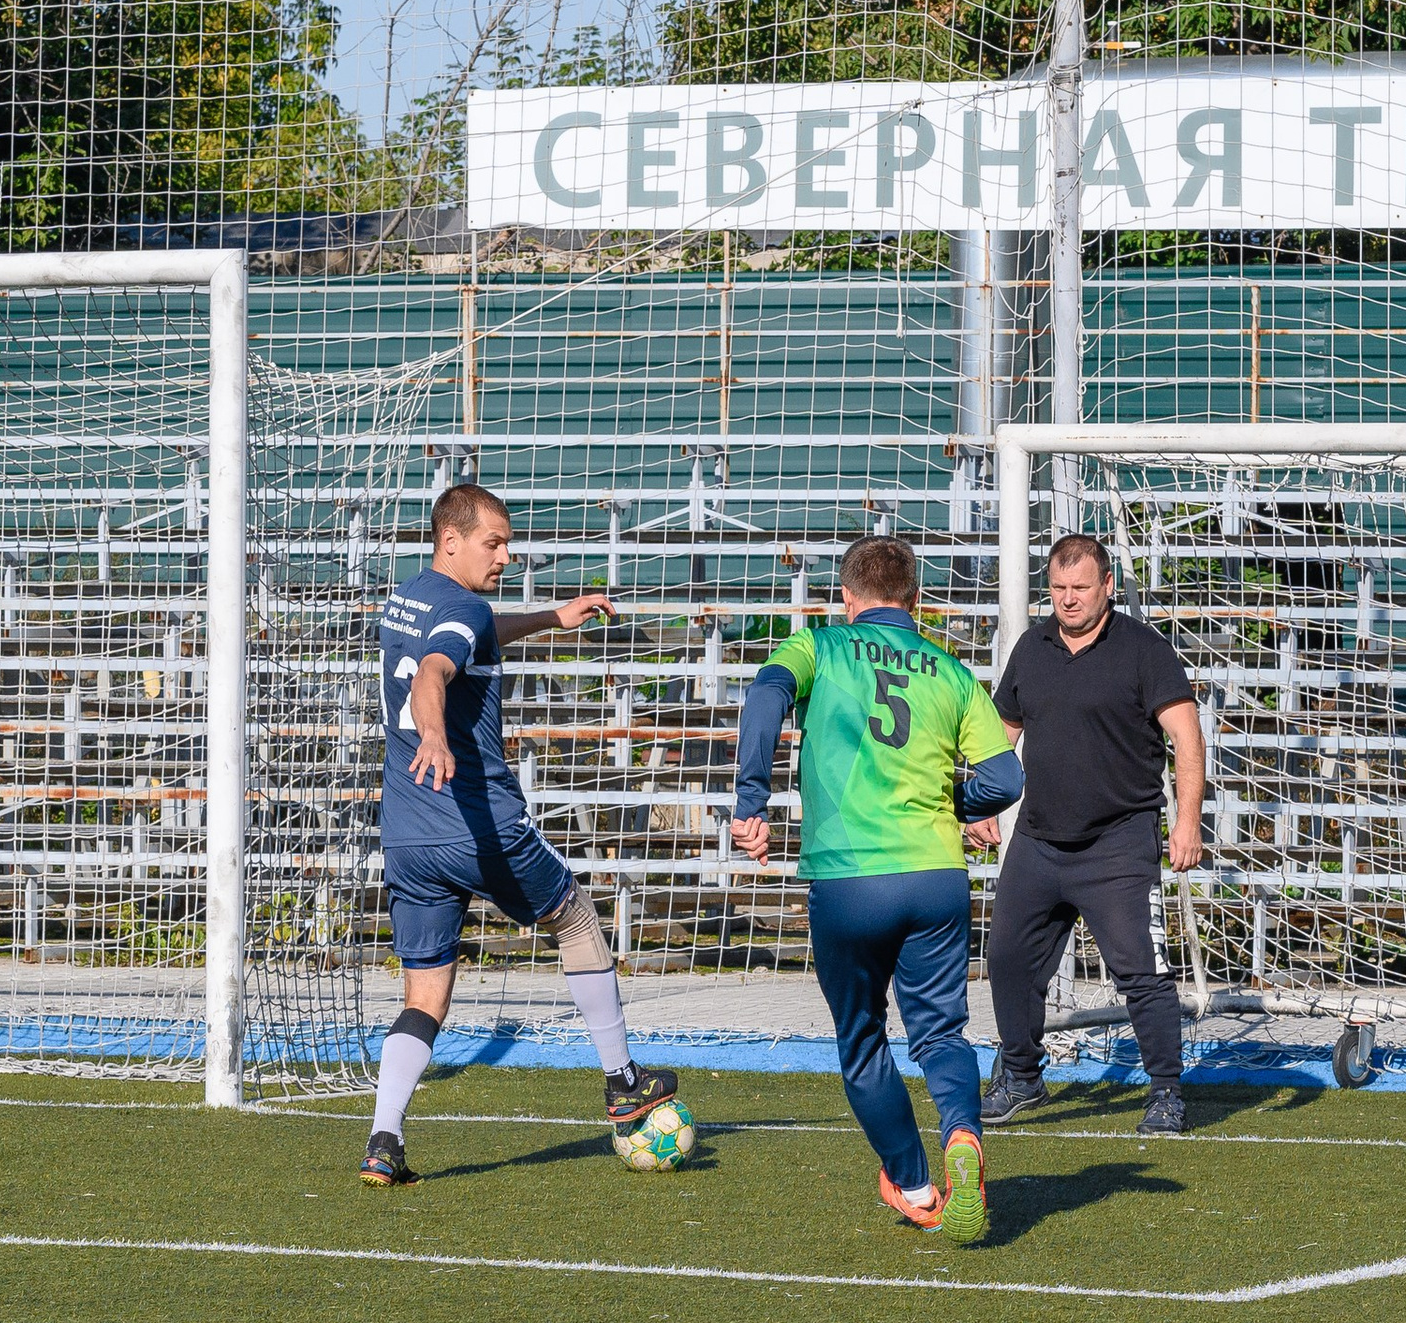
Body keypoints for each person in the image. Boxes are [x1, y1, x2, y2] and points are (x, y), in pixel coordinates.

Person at [362, 482, 677, 1185]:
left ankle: (384, 1140)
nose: (506, 555)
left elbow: (467, 636)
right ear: (452, 539)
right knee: (574, 917)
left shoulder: (409, 597)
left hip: (408, 835)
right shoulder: (463, 608)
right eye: (493, 543)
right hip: (476, 823)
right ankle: (623, 1083)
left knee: (424, 996)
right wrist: (438, 738)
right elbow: (436, 675)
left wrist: (550, 618)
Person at [728, 534, 1023, 1245]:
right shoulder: (950, 672)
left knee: (862, 1038)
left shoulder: (820, 647)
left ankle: (916, 1182)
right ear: (915, 602)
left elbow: (764, 696)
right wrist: (958, 806)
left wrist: (749, 801)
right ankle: (962, 1136)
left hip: (850, 875)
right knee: (942, 1033)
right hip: (933, 874)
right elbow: (1007, 779)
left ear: (848, 599)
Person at [980, 533, 1206, 1136]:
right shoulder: (1033, 646)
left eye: (1080, 588)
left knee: (1141, 971)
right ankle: (1021, 1076)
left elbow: (1186, 737)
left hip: (1119, 842)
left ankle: (1165, 1091)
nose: (1068, 599)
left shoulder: (1143, 649)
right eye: (1058, 588)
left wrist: (1187, 822)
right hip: (1038, 839)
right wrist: (981, 802)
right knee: (1006, 958)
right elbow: (1003, 732)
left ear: (1108, 586)